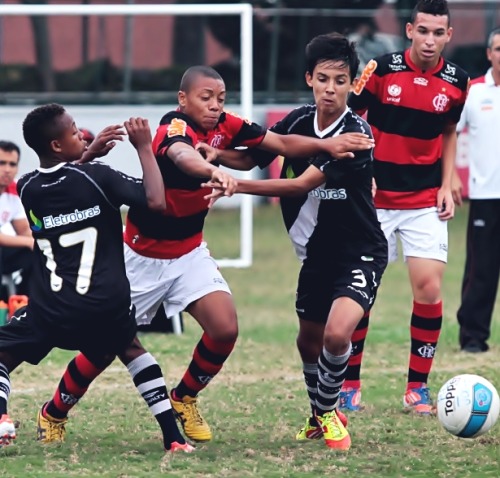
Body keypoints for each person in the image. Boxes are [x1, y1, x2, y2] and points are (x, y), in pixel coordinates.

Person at [54, 64, 375, 444]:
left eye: (220, 99)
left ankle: (183, 397)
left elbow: (281, 144)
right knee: (107, 344)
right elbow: (181, 157)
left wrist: (325, 145)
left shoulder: (227, 123)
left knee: (225, 329)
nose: (214, 106)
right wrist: (211, 167)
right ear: (182, 99)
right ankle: (54, 412)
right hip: (142, 255)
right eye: (205, 98)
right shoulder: (172, 127)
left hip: (189, 253)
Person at [201, 32, 388, 450]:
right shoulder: (299, 121)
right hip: (315, 255)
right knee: (307, 341)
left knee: (337, 336)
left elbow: (299, 185)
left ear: (353, 85)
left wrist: (237, 188)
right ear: (309, 78)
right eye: (323, 78)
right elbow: (254, 156)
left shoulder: (356, 136)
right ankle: (319, 412)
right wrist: (216, 156)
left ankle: (327, 414)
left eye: (340, 81)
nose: (330, 89)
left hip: (360, 250)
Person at [0, 104, 194, 453]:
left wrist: (86, 154)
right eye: (75, 132)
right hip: (105, 307)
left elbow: (64, 182)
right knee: (133, 351)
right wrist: (144, 147)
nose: (82, 135)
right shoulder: (99, 176)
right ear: (58, 145)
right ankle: (173, 437)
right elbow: (155, 200)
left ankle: (1, 417)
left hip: (52, 310)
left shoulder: (28, 188)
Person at [347, 0, 469, 414]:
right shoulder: (381, 69)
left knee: (430, 289)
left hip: (422, 200)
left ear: (448, 35)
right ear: (410, 30)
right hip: (374, 200)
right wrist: (363, 172)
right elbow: (353, 119)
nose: (430, 40)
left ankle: (417, 388)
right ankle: (349, 385)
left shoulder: (458, 82)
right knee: (360, 292)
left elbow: (449, 131)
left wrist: (448, 182)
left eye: (439, 33)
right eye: (424, 31)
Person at [455, 27, 500, 353]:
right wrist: (451, 177)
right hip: (486, 196)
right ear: (489, 53)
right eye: (499, 49)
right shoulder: (473, 92)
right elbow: (448, 134)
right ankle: (472, 337)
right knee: (481, 270)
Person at [0, 141, 34, 300]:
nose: (7, 169)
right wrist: (28, 242)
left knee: (37, 254)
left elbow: (24, 231)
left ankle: (23, 305)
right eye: (1, 163)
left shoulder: (14, 190)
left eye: (12, 164)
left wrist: (43, 243)